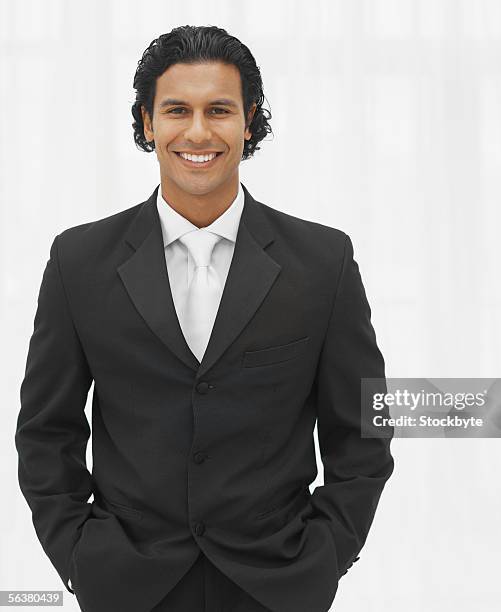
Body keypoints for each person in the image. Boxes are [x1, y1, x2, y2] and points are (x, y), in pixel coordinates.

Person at [15, 25, 394, 612]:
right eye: (176, 110)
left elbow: (363, 431)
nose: (197, 132)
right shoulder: (78, 261)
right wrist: (80, 556)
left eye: (219, 110)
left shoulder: (323, 263)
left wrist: (326, 556)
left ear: (249, 122)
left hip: (277, 583)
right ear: (147, 123)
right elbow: (47, 431)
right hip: (127, 586)